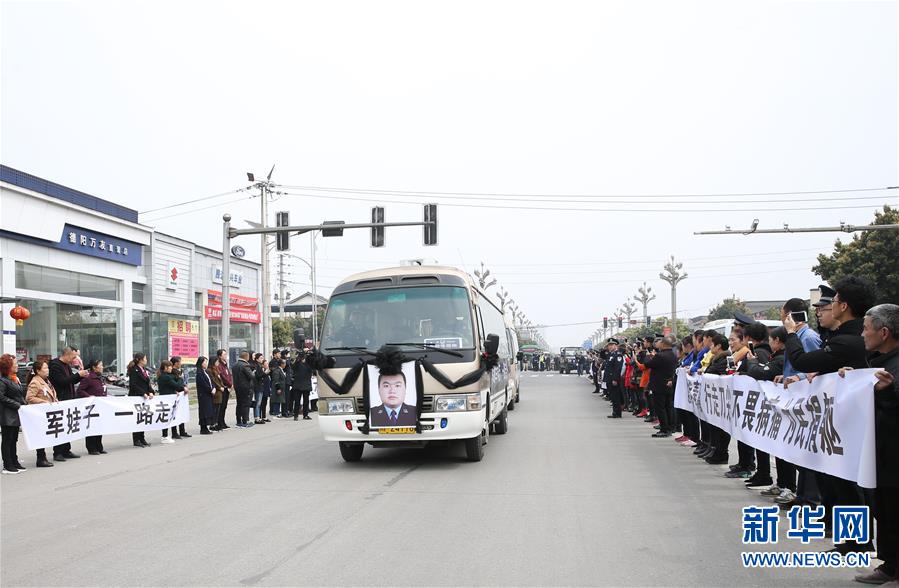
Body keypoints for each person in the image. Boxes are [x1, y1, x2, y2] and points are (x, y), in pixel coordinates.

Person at [784, 276, 876, 554]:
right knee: (840, 482)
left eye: (832, 302)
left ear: (843, 305)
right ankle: (850, 541)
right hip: (841, 421)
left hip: (852, 422)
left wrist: (791, 333)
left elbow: (802, 359)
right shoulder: (842, 337)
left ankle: (858, 543)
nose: (827, 308)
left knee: (849, 485)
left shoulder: (848, 340)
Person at [844, 304, 899, 585]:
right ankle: (890, 565)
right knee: (884, 509)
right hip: (879, 453)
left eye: (866, 328)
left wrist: (889, 393)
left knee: (893, 509)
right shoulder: (877, 362)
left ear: (885, 332)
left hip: (893, 454)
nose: (863, 334)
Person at [48, 346, 88, 460]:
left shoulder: (67, 366)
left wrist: (80, 376)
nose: (74, 359)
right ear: (67, 354)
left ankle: (66, 450)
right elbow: (61, 382)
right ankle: (58, 452)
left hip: (69, 399)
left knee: (68, 425)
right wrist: (78, 375)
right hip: (60, 399)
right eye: (74, 357)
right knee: (60, 426)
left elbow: (71, 380)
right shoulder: (55, 365)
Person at [700, 333, 731, 465]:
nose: (710, 346)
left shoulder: (724, 359)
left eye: (712, 344)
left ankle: (721, 453)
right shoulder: (716, 358)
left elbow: (712, 372)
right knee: (714, 426)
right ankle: (714, 450)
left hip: (722, 399)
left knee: (721, 428)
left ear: (718, 346)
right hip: (714, 399)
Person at [643, 335, 678, 437]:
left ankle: (664, 429)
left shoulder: (660, 355)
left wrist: (650, 356)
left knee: (660, 408)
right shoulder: (673, 354)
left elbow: (648, 364)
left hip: (658, 384)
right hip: (668, 383)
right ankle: (670, 428)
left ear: (663, 344)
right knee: (668, 407)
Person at [25, 360, 58, 467]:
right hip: (38, 413)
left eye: (47, 368)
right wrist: (44, 402)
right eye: (45, 368)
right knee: (40, 436)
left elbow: (51, 394)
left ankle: (42, 457)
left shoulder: (46, 380)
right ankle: (40, 458)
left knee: (44, 435)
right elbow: (29, 398)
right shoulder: (35, 382)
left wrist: (55, 400)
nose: (47, 370)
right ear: (38, 371)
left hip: (46, 413)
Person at [0, 354, 26, 474]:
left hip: (15, 413)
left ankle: (14, 461)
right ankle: (7, 464)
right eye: (14, 364)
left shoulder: (14, 378)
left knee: (14, 439)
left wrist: (23, 404)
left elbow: (19, 395)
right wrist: (17, 404)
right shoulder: (2, 380)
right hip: (7, 414)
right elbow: (1, 397)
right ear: (8, 367)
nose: (17, 366)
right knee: (7, 439)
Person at [76, 359, 107, 455]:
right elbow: (80, 390)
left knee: (99, 426)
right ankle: (91, 448)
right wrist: (89, 397)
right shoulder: (88, 377)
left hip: (100, 406)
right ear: (94, 367)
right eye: (100, 365)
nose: (102, 367)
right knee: (91, 427)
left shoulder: (101, 377)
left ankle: (99, 447)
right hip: (91, 407)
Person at [127, 353, 154, 447]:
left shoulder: (144, 370)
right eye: (145, 358)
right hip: (136, 396)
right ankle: (136, 439)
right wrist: (143, 393)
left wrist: (151, 392)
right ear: (140, 360)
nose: (146, 360)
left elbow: (147, 383)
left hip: (144, 397)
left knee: (143, 418)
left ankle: (142, 438)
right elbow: (133, 385)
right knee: (137, 419)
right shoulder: (134, 370)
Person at [232, 351, 256, 428]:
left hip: (237, 387)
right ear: (246, 357)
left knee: (239, 404)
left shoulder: (235, 365)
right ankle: (245, 421)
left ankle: (238, 421)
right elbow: (251, 376)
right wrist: (254, 372)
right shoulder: (245, 365)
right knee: (245, 404)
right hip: (246, 388)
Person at [169, 357, 192, 438]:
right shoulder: (172, 372)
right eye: (179, 362)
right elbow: (174, 383)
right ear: (175, 363)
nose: (180, 363)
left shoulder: (181, 371)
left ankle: (182, 430)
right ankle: (174, 432)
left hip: (183, 394)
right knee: (175, 413)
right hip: (176, 394)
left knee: (182, 412)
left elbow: (183, 382)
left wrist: (185, 387)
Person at [193, 357, 215, 435]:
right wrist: (210, 389)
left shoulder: (205, 372)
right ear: (201, 363)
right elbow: (203, 384)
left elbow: (210, 381)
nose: (206, 363)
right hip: (203, 395)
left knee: (208, 410)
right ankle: (203, 428)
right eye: (204, 362)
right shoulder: (199, 373)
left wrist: (213, 387)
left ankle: (206, 426)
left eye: (206, 362)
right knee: (204, 411)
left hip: (209, 394)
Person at [604, 338, 625, 418]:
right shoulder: (611, 354)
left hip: (613, 378)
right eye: (609, 345)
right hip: (609, 378)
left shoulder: (618, 355)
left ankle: (617, 413)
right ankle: (615, 412)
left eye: (611, 345)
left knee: (616, 396)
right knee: (613, 396)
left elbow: (618, 368)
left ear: (616, 345)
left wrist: (615, 379)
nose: (609, 347)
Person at [291, 351, 314, 420]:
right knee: (297, 401)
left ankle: (305, 415)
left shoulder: (308, 364)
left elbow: (312, 369)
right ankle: (296, 415)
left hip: (306, 385)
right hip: (298, 385)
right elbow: (294, 366)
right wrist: (299, 358)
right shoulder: (297, 364)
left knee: (306, 401)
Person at [214, 349, 233, 429]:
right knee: (221, 406)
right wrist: (229, 383)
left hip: (228, 387)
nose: (225, 356)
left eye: (226, 354)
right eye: (224, 354)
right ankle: (219, 422)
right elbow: (223, 376)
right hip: (223, 387)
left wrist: (231, 383)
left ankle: (222, 421)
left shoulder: (225, 364)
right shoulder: (219, 365)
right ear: (220, 356)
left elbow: (229, 375)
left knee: (224, 406)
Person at [208, 356, 226, 431]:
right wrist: (219, 387)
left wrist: (222, 386)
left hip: (220, 391)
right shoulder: (209, 370)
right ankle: (212, 424)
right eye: (217, 361)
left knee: (218, 408)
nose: (218, 363)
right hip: (216, 391)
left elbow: (219, 379)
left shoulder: (216, 369)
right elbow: (213, 380)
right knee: (214, 408)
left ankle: (216, 423)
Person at [252, 353, 270, 425]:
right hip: (258, 386)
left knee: (259, 403)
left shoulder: (259, 366)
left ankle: (258, 417)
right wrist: (265, 373)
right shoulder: (256, 366)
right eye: (261, 358)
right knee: (258, 403)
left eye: (262, 358)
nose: (262, 359)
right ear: (257, 359)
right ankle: (257, 417)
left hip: (260, 386)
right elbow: (259, 376)